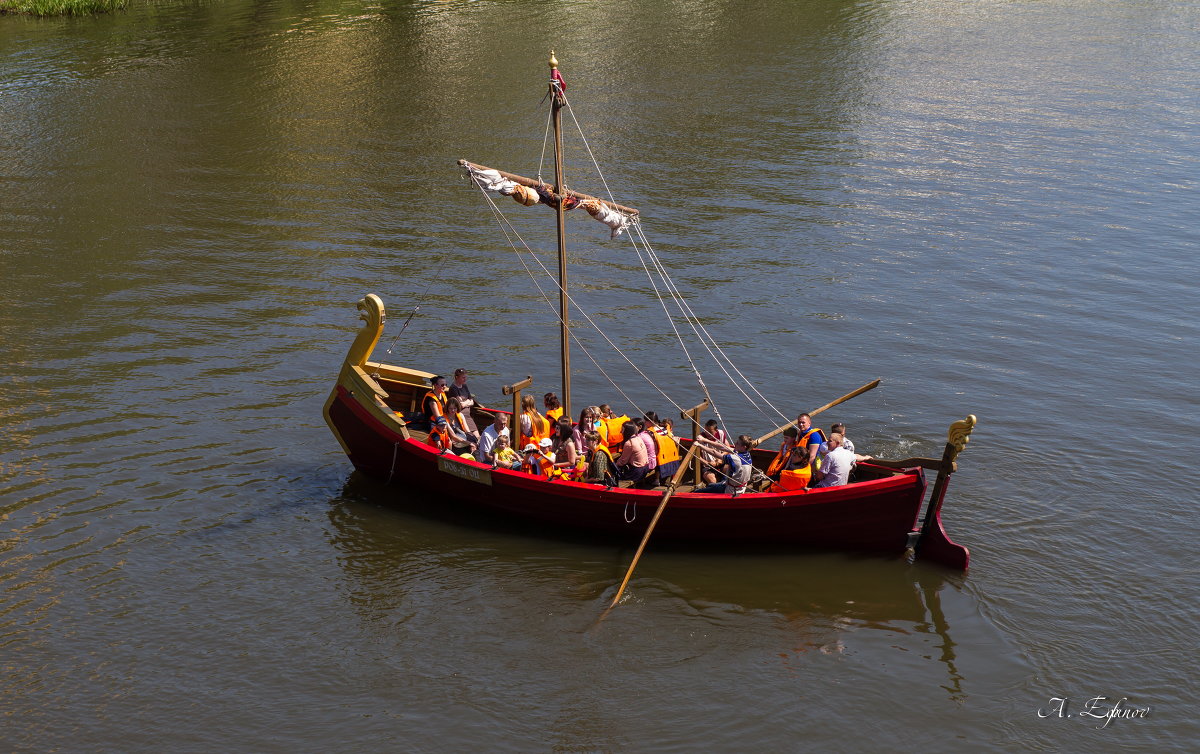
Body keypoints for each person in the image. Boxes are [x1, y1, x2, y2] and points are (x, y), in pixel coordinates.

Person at [652, 416, 683, 484]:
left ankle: (657, 480)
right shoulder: (670, 434)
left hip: (663, 456)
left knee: (658, 461)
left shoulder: (660, 432)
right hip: (669, 456)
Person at [795, 413, 827, 477]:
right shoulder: (801, 433)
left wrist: (803, 469)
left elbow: (812, 456)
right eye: (799, 422)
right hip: (802, 460)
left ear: (809, 423)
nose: (801, 424)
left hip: (813, 465)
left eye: (803, 422)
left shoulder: (814, 435)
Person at [447, 368, 479, 433]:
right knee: (474, 435)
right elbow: (460, 405)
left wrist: (466, 402)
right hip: (460, 414)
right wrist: (468, 402)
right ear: (457, 377)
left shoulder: (464, 386)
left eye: (465, 377)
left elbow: (471, 401)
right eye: (463, 377)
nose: (465, 379)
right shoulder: (453, 388)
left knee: (476, 433)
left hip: (468, 414)